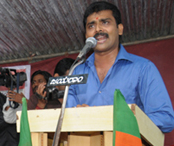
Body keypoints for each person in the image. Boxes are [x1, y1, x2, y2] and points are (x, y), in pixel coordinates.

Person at [66, 1, 174, 133]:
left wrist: (112, 120)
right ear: (86, 35)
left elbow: (165, 119)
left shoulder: (143, 68)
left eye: (105, 22)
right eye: (91, 26)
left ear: (120, 29)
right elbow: (65, 118)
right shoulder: (76, 71)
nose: (98, 29)